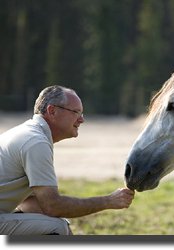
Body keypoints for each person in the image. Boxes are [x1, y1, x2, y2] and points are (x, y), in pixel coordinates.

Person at [0, 85, 135, 235]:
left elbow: (31, 203)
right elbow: (52, 206)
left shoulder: (28, 134)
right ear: (52, 111)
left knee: (56, 224)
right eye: (76, 112)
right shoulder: (36, 142)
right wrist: (108, 201)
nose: (82, 119)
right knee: (57, 228)